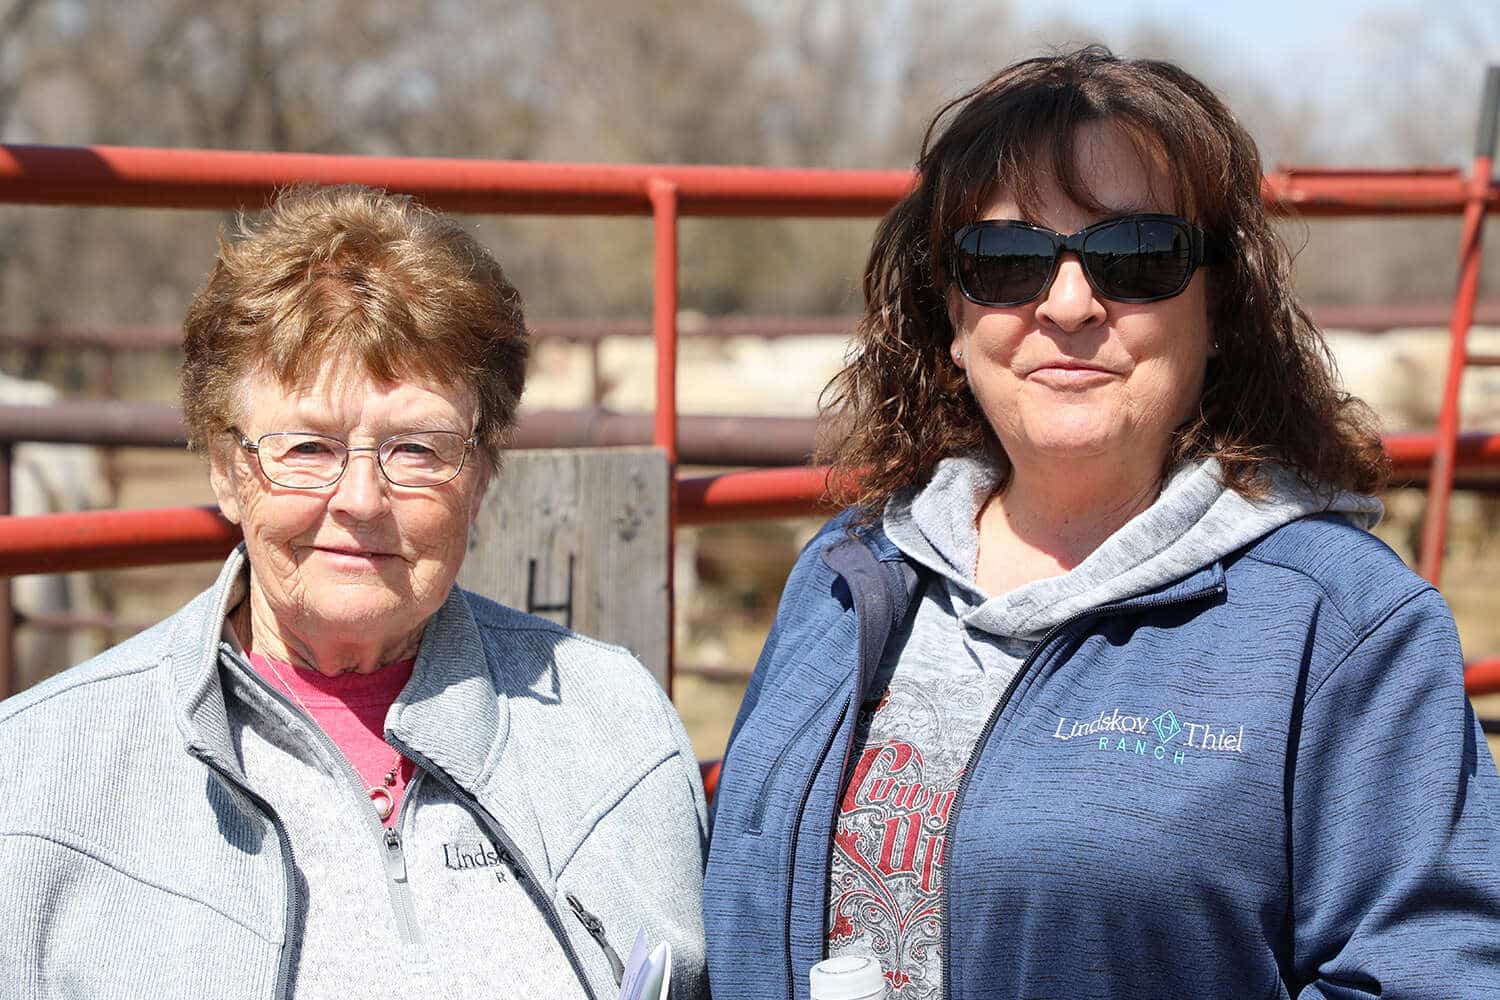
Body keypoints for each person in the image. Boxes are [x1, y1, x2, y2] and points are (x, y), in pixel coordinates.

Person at [703, 46, 1500, 999]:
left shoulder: (1342, 628)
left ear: (1221, 307)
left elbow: (1428, 975)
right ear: (951, 317)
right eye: (1006, 262)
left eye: (1138, 257)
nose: (1070, 304)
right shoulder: (846, 575)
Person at [0, 184, 708, 1000]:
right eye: (307, 447)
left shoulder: (615, 726)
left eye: (417, 448)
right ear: (226, 471)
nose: (362, 500)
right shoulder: (42, 775)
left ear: (482, 475)